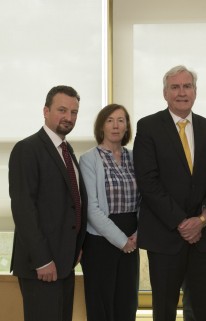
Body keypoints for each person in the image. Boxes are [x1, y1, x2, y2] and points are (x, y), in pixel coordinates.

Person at [133, 65, 206, 321]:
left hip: (202, 238)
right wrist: (182, 222)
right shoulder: (149, 127)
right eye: (175, 87)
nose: (181, 92)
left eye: (187, 86)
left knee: (200, 310)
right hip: (164, 237)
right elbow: (148, 182)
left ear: (195, 92)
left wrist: (203, 219)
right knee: (164, 310)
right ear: (165, 93)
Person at [9, 85, 87, 321]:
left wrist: (77, 245)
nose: (69, 117)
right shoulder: (27, 149)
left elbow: (72, 202)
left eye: (74, 112)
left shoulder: (67, 150)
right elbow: (24, 209)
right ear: (45, 110)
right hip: (41, 266)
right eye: (62, 110)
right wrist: (43, 260)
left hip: (65, 263)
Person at [79, 104, 140, 321]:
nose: (116, 125)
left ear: (127, 127)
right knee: (101, 304)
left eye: (121, 120)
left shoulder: (135, 158)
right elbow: (92, 209)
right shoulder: (89, 159)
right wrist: (121, 240)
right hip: (100, 240)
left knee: (127, 301)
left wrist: (137, 235)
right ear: (101, 126)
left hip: (133, 237)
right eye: (110, 120)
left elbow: (146, 200)